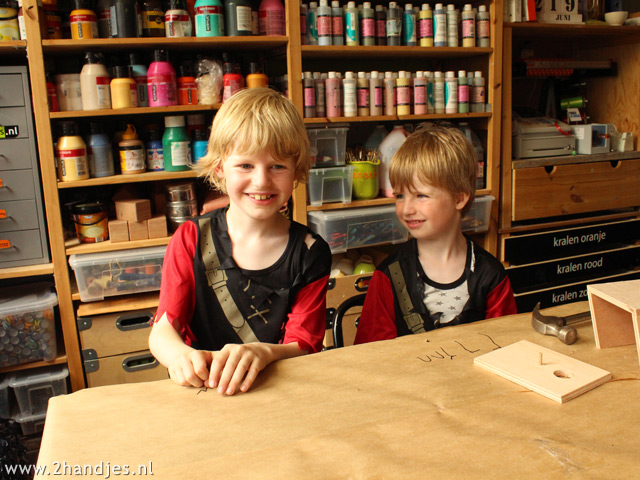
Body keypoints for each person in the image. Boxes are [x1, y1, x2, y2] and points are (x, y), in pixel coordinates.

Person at [149, 88, 331, 395]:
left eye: (277, 166)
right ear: (220, 167)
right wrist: (180, 357)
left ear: (296, 171)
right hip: (205, 391)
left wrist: (264, 352)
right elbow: (164, 328)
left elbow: (304, 345)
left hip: (280, 390)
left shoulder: (311, 252)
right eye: (245, 165)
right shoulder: (191, 238)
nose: (261, 181)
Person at [355, 124, 517, 344]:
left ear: (459, 199)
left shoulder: (490, 276)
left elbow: (506, 349)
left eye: (421, 196)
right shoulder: (389, 276)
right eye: (400, 196)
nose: (406, 209)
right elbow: (369, 357)